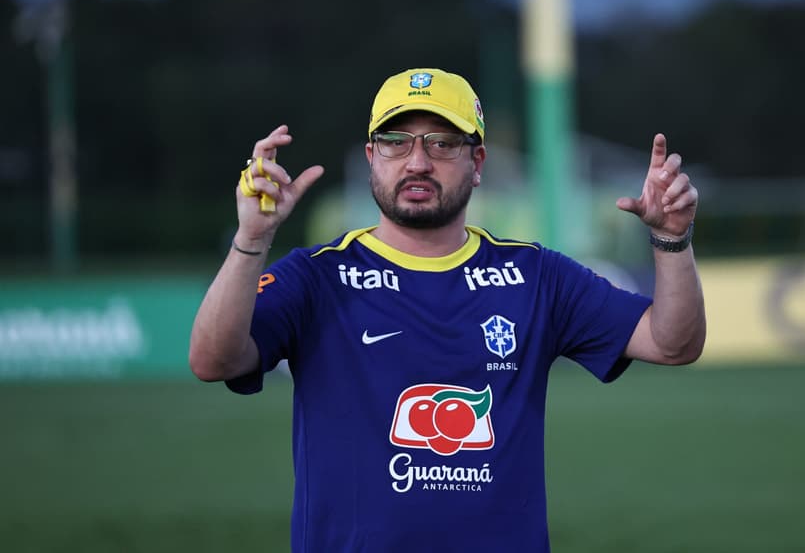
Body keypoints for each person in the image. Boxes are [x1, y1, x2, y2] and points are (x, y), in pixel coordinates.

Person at [189, 67, 706, 552]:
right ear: (372, 156)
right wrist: (252, 240)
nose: (417, 161)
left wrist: (671, 239)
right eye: (397, 143)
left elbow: (672, 342)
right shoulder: (317, 276)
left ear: (477, 162)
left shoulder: (535, 275)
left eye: (442, 143)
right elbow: (212, 360)